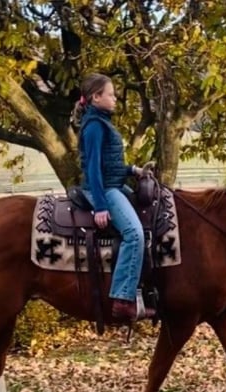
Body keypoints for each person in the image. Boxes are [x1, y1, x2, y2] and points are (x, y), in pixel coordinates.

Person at [72, 73, 156, 321]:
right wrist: (100, 206)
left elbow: (110, 164)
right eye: (111, 94)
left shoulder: (102, 122)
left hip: (114, 184)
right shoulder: (94, 127)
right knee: (134, 233)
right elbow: (93, 169)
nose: (115, 98)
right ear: (96, 97)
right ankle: (122, 299)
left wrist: (133, 170)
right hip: (104, 190)